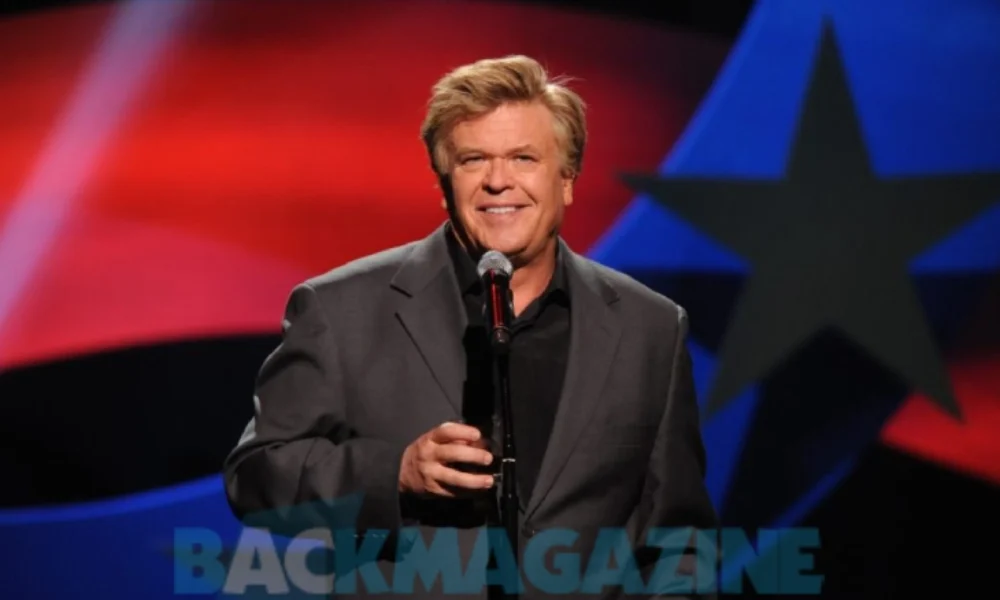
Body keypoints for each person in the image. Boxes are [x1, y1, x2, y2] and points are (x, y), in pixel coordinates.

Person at [223, 55, 718, 598]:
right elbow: (256, 478)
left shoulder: (651, 328)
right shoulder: (341, 309)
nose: (498, 182)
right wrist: (395, 473)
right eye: (474, 159)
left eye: (524, 158)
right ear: (444, 182)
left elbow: (678, 541)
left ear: (567, 179)